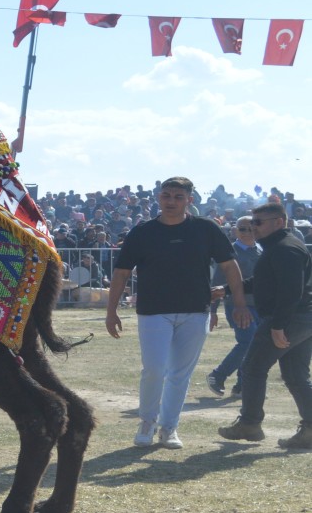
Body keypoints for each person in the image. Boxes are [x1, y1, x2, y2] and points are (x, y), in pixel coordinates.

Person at [105, 177, 250, 449]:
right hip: (153, 311)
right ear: (159, 198)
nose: (171, 201)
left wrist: (240, 303)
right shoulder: (142, 232)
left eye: (178, 196)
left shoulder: (206, 229)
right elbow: (122, 272)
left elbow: (230, 266)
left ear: (189, 201)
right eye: (166, 195)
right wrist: (111, 311)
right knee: (154, 369)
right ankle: (147, 421)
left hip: (195, 311)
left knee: (180, 374)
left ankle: (169, 427)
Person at [217, 202, 312, 449]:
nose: (252, 228)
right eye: (250, 223)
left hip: (290, 318)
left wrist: (279, 325)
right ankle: (310, 430)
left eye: (258, 223)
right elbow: (263, 282)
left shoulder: (284, 249)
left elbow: (292, 291)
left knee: (252, 368)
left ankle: (249, 423)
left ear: (279, 222)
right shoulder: (280, 247)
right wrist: (226, 290)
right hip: (302, 318)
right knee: (295, 375)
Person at [206, 216, 263, 397]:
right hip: (237, 305)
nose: (248, 232)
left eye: (251, 228)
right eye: (243, 229)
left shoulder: (261, 251)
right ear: (235, 231)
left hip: (260, 306)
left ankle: (241, 384)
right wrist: (213, 311)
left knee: (255, 345)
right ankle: (218, 375)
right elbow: (217, 283)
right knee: (247, 342)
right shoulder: (230, 252)